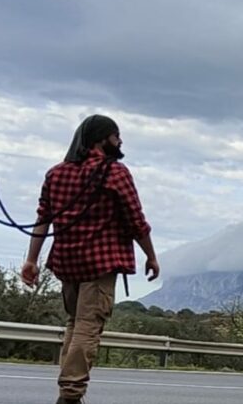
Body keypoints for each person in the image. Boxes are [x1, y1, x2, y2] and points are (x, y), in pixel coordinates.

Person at [21, 114, 160, 404]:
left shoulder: (56, 173)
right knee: (87, 327)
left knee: (74, 324)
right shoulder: (115, 173)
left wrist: (31, 260)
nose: (120, 141)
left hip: (67, 263)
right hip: (101, 263)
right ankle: (70, 396)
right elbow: (136, 221)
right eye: (116, 135)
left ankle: (69, 392)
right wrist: (151, 255)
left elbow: (43, 219)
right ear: (101, 139)